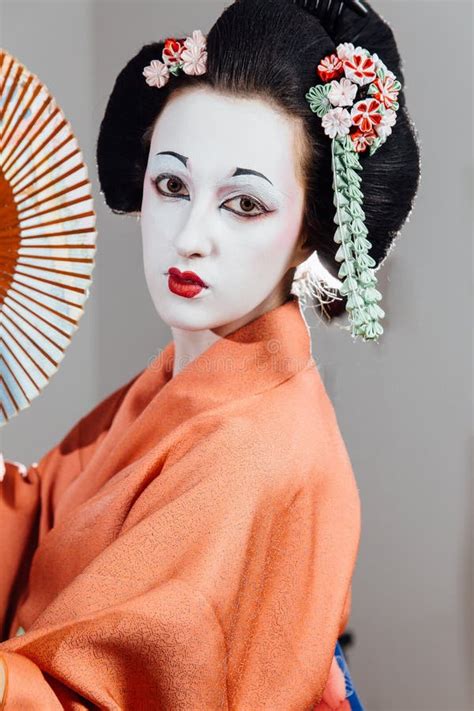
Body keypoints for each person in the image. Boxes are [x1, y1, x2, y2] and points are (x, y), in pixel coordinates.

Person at [0, 0, 420, 707]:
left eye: (244, 204)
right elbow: (44, 510)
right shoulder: (178, 380)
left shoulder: (256, 452)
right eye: (171, 185)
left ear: (309, 230)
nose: (191, 234)